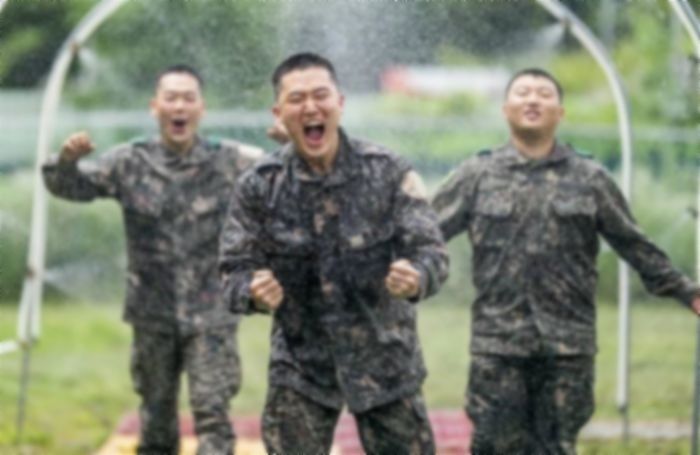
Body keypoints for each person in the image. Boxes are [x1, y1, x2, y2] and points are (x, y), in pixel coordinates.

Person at [431, 67, 700, 454]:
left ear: (561, 112)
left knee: (557, 447)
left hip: (567, 347)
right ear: (506, 109)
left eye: (544, 94)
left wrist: (686, 292)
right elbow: (423, 234)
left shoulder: (590, 178)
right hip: (498, 345)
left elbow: (633, 242)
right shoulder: (477, 175)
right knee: (493, 445)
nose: (533, 100)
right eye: (522, 92)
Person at [219, 52, 449, 454]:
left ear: (340, 102)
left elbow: (431, 251)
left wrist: (418, 276)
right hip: (301, 367)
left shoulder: (387, 171)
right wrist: (251, 291)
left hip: (385, 362)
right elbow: (232, 271)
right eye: (296, 99)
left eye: (321, 95)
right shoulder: (260, 186)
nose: (311, 107)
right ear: (279, 112)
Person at [42, 64, 263, 455]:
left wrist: (288, 146)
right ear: (154, 106)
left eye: (188, 98)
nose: (179, 106)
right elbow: (69, 187)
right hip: (152, 312)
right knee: (157, 416)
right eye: (171, 97)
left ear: (202, 109)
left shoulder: (230, 160)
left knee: (213, 414)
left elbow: (283, 180)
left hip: (211, 315)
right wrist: (65, 162)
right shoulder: (129, 161)